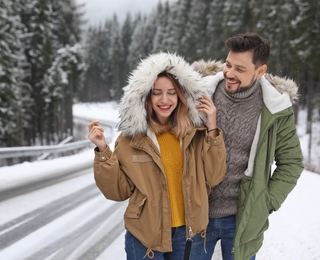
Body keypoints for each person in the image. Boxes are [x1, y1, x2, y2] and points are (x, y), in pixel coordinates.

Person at [88, 52, 226, 259]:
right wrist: (103, 152)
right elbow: (118, 191)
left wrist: (212, 127)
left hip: (188, 235)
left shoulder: (196, 135)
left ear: (181, 96)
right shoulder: (131, 139)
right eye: (157, 93)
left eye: (171, 92)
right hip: (146, 237)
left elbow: (214, 176)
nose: (164, 99)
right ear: (145, 97)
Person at [189, 32, 304, 260]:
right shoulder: (200, 95)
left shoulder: (275, 109)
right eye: (228, 65)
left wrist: (265, 202)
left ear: (260, 71)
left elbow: (291, 163)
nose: (229, 74)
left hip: (241, 218)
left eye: (240, 69)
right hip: (197, 213)